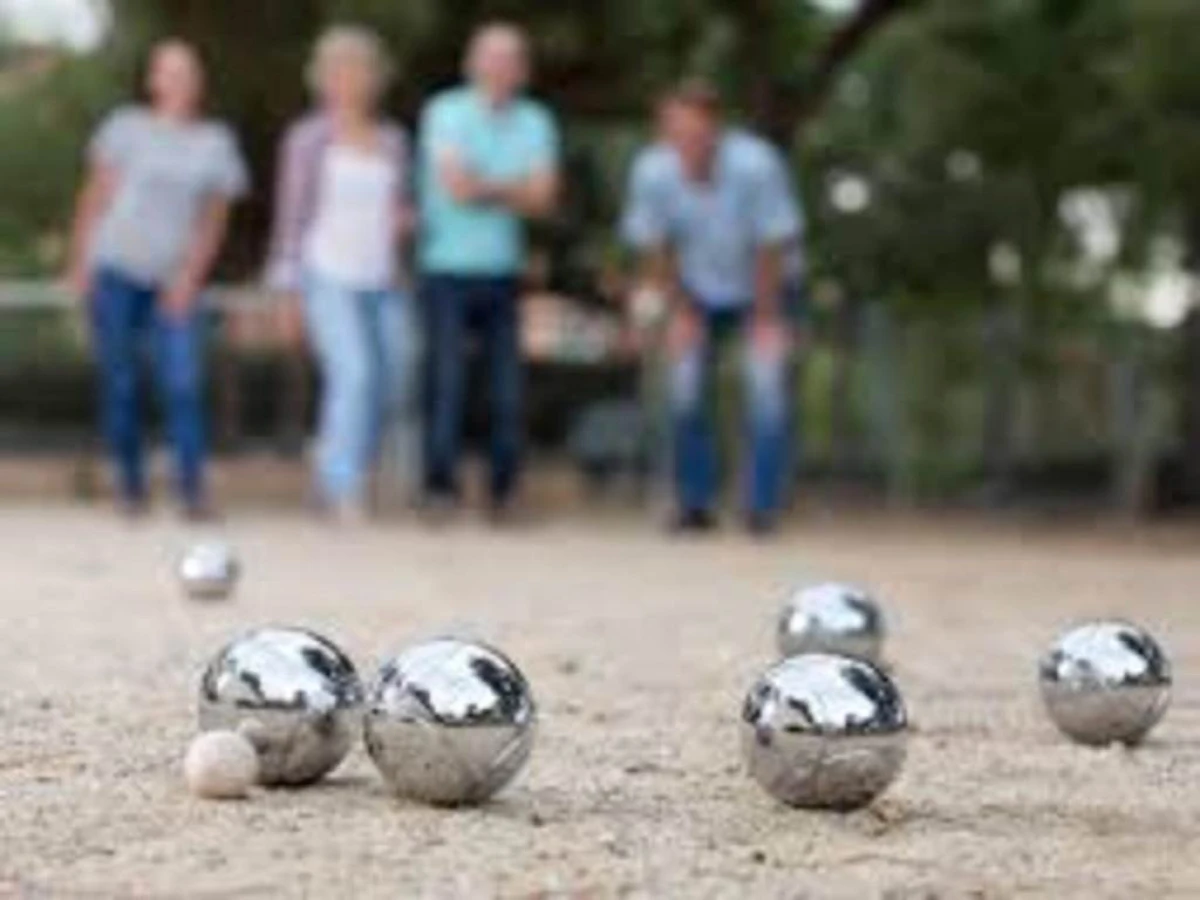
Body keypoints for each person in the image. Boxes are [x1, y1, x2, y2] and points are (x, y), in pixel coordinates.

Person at [65, 39, 249, 520]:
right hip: (117, 270)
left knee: (183, 382)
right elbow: (95, 198)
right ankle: (131, 488)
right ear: (152, 80)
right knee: (121, 383)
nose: (177, 81)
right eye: (168, 72)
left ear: (198, 81)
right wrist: (80, 262)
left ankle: (192, 490)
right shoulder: (124, 129)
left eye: (186, 72)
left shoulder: (215, 143)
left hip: (174, 280)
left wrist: (189, 277)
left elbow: (213, 221)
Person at [622, 81, 805, 536]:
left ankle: (761, 507)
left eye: (695, 133)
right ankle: (694, 502)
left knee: (767, 392)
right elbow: (655, 247)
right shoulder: (652, 171)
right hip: (695, 288)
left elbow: (773, 245)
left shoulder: (757, 164)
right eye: (675, 134)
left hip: (762, 285)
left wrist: (767, 317)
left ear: (715, 129)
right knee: (685, 392)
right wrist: (680, 310)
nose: (686, 145)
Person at [265, 27, 415, 523]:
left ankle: (337, 458)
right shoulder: (307, 139)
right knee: (353, 374)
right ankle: (340, 487)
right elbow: (290, 217)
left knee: (392, 378)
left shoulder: (394, 141)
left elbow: (402, 211)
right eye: (339, 71)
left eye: (359, 70)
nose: (349, 80)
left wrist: (407, 223)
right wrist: (286, 292)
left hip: (382, 279)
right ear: (323, 79)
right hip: (326, 273)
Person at [416, 22, 560, 522]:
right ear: (471, 64)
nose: (499, 68)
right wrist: (512, 189)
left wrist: (486, 188)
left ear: (521, 70)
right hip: (445, 270)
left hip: (502, 272)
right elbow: (457, 187)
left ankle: (503, 492)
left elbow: (543, 197)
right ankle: (439, 488)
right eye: (490, 57)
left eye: (509, 59)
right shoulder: (444, 112)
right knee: (447, 384)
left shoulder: (537, 120)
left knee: (506, 391)